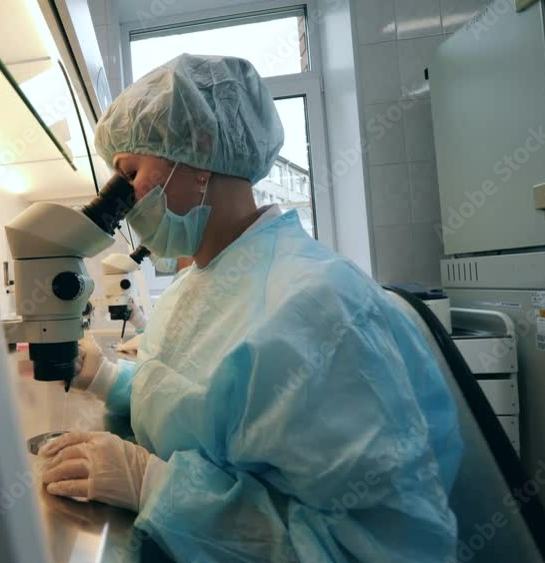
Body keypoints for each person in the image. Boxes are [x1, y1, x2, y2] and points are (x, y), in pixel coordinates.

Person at [39, 54, 463, 562]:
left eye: (130, 173)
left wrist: (155, 484)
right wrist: (110, 380)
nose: (123, 199)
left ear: (198, 152)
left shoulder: (320, 305)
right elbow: (204, 404)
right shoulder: (199, 281)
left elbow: (382, 546)